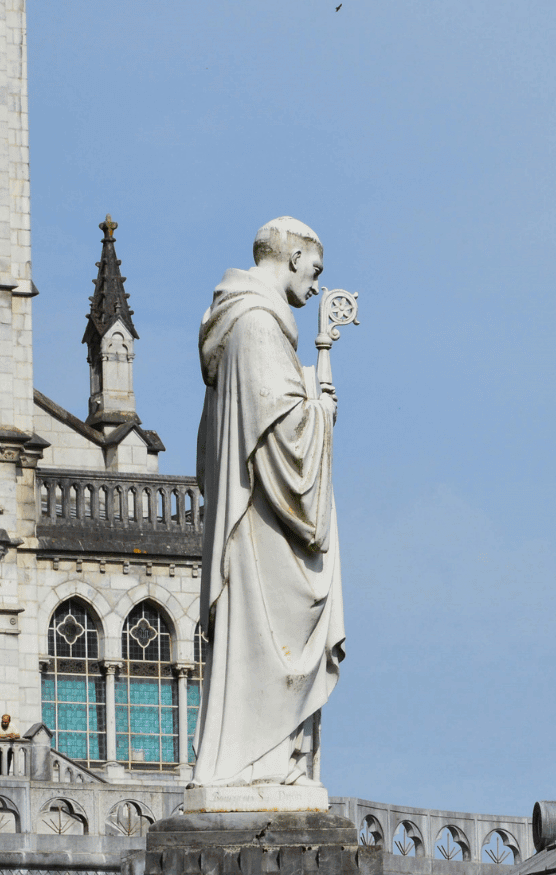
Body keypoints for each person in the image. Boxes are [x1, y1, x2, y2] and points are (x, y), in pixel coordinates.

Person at [190, 217, 345, 796]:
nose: (316, 283)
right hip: (265, 524)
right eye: (315, 268)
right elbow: (287, 443)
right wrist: (322, 411)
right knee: (278, 631)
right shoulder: (255, 324)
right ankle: (259, 762)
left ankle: (268, 761)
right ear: (294, 254)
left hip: (256, 515)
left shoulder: (244, 324)